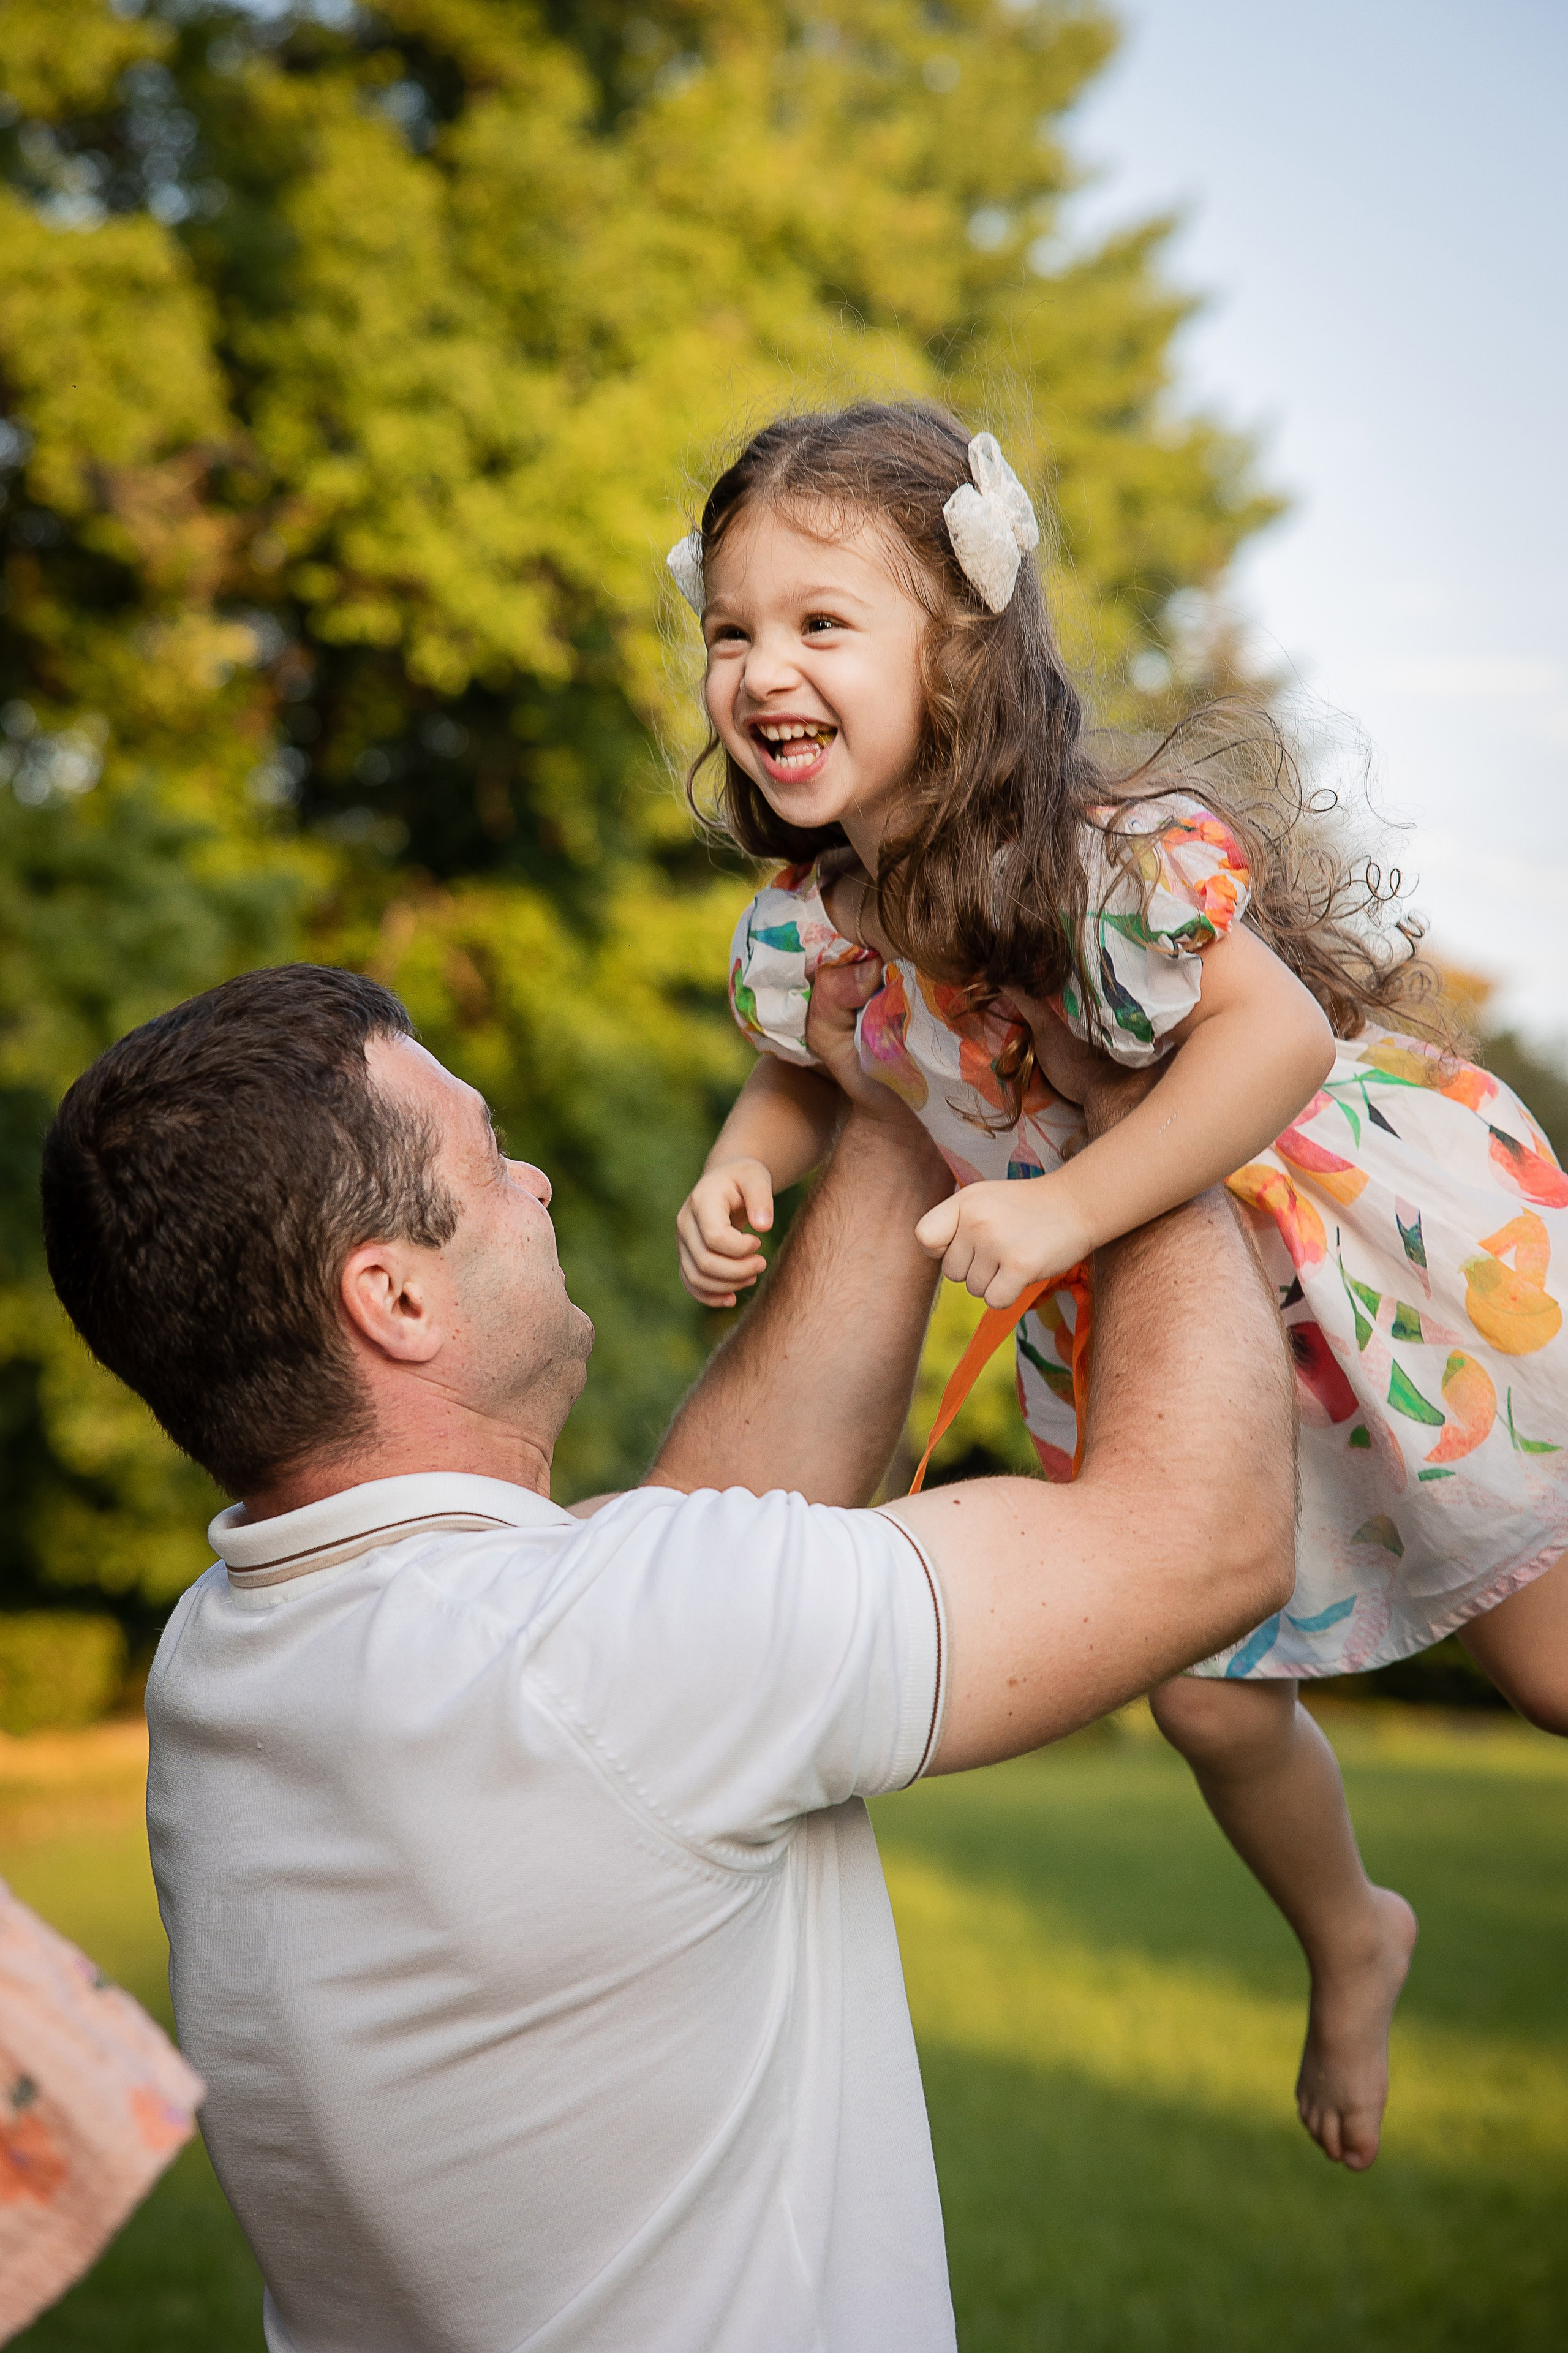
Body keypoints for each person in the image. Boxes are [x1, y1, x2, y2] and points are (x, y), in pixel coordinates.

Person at [39, 958, 1292, 2353]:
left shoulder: (228, 1655)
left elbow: (684, 1557)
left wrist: (882, 1113)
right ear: (394, 1299)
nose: (539, 1186)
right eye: (492, 1156)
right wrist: (1146, 1104)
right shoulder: (582, 1657)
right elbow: (1200, 1539)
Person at [670, 399, 1568, 2172]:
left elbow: (1282, 1036)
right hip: (1165, 1336)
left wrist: (1075, 1201)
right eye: (731, 629)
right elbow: (802, 1069)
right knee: (1209, 1694)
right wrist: (742, 1168)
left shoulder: (1094, 853)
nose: (762, 666)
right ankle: (1350, 1933)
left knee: (1550, 1666)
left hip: (1359, 1268)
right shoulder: (810, 922)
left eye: (818, 623)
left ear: (963, 643)